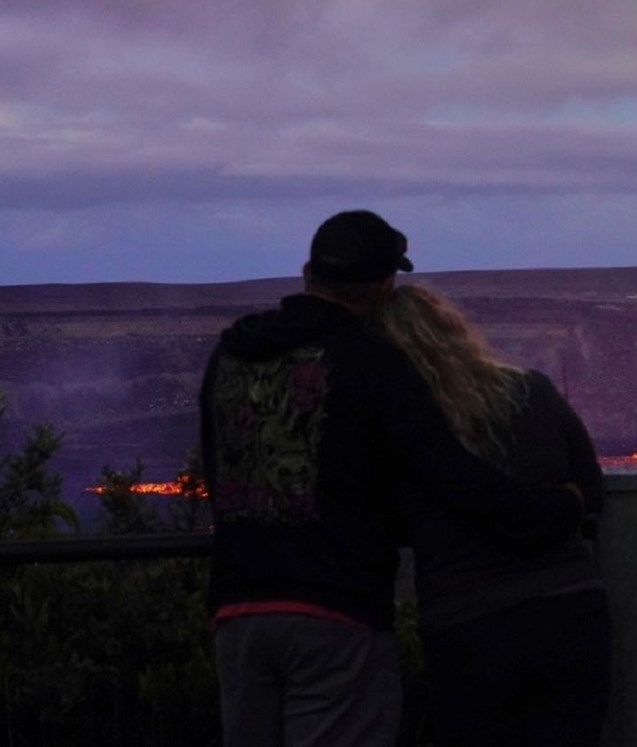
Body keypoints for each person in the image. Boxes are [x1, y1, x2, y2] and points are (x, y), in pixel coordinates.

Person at [199, 210, 584, 747]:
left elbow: (218, 474)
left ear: (307, 271)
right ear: (384, 286)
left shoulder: (231, 356)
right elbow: (455, 479)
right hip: (335, 613)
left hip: (238, 612)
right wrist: (560, 508)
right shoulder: (373, 363)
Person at [375, 283, 610, 747]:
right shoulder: (531, 391)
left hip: (467, 627)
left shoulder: (400, 430)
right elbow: (593, 490)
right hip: (569, 612)